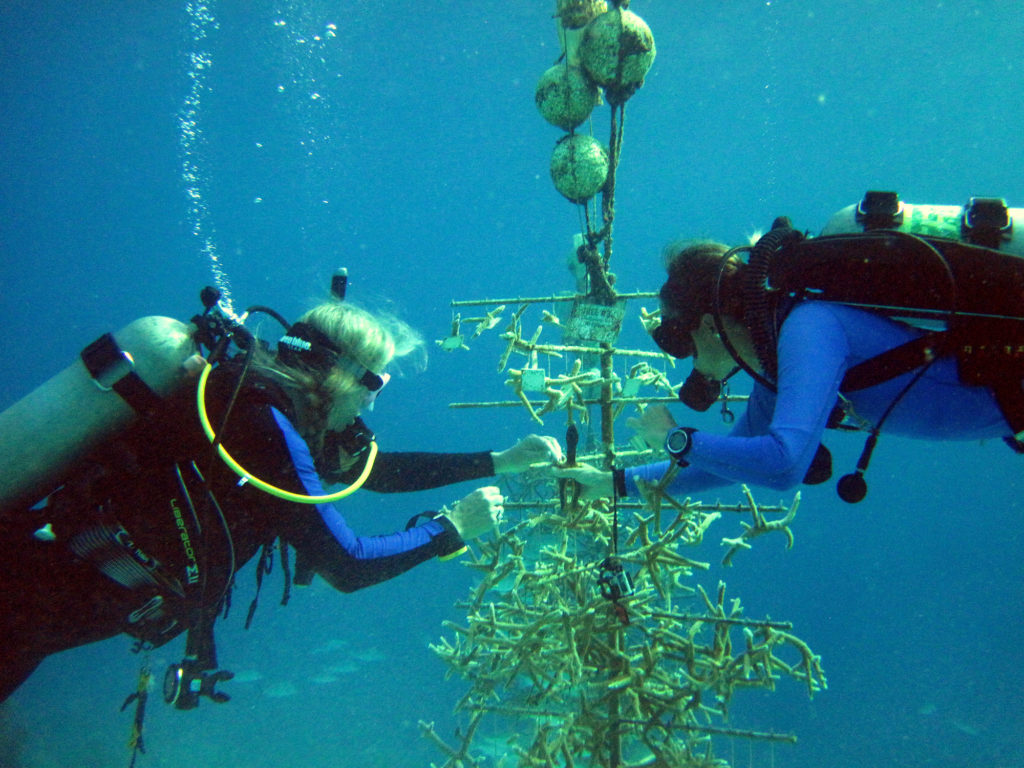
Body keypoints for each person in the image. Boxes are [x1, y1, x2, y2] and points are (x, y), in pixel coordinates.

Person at [0, 297, 561, 705]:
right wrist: (449, 529)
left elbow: (373, 472)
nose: (371, 404)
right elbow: (347, 562)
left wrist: (499, 460)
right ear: (341, 373)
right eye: (376, 384)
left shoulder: (265, 400)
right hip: (37, 589)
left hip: (56, 587)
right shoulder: (264, 421)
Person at [554, 230, 1018, 504]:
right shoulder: (775, 360)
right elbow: (727, 464)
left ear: (711, 325)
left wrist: (678, 439)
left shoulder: (809, 329)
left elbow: (782, 466)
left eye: (683, 342)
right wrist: (614, 483)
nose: (689, 360)